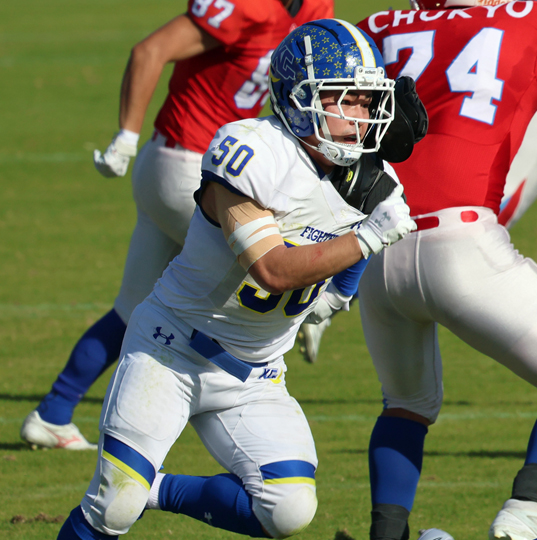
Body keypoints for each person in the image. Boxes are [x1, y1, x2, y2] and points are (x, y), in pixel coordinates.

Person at [55, 18, 417, 540]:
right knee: (113, 507)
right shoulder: (251, 151)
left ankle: (156, 490)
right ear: (299, 100)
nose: (360, 117)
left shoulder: (372, 179)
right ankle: (130, 494)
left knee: (288, 509)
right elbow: (271, 270)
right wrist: (366, 238)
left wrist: (339, 293)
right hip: (172, 350)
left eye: (367, 102)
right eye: (344, 100)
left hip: (257, 374)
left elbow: (355, 228)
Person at [20, 0, 334, 450]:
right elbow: (150, 50)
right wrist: (126, 135)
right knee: (265, 270)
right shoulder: (250, 5)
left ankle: (53, 412)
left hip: (188, 166)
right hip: (192, 167)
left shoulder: (312, 8)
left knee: (132, 306)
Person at [353, 1, 537, 539]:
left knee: (406, 405)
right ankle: (528, 508)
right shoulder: (525, 17)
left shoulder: (376, 27)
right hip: (462, 243)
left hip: (377, 248)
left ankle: (387, 534)